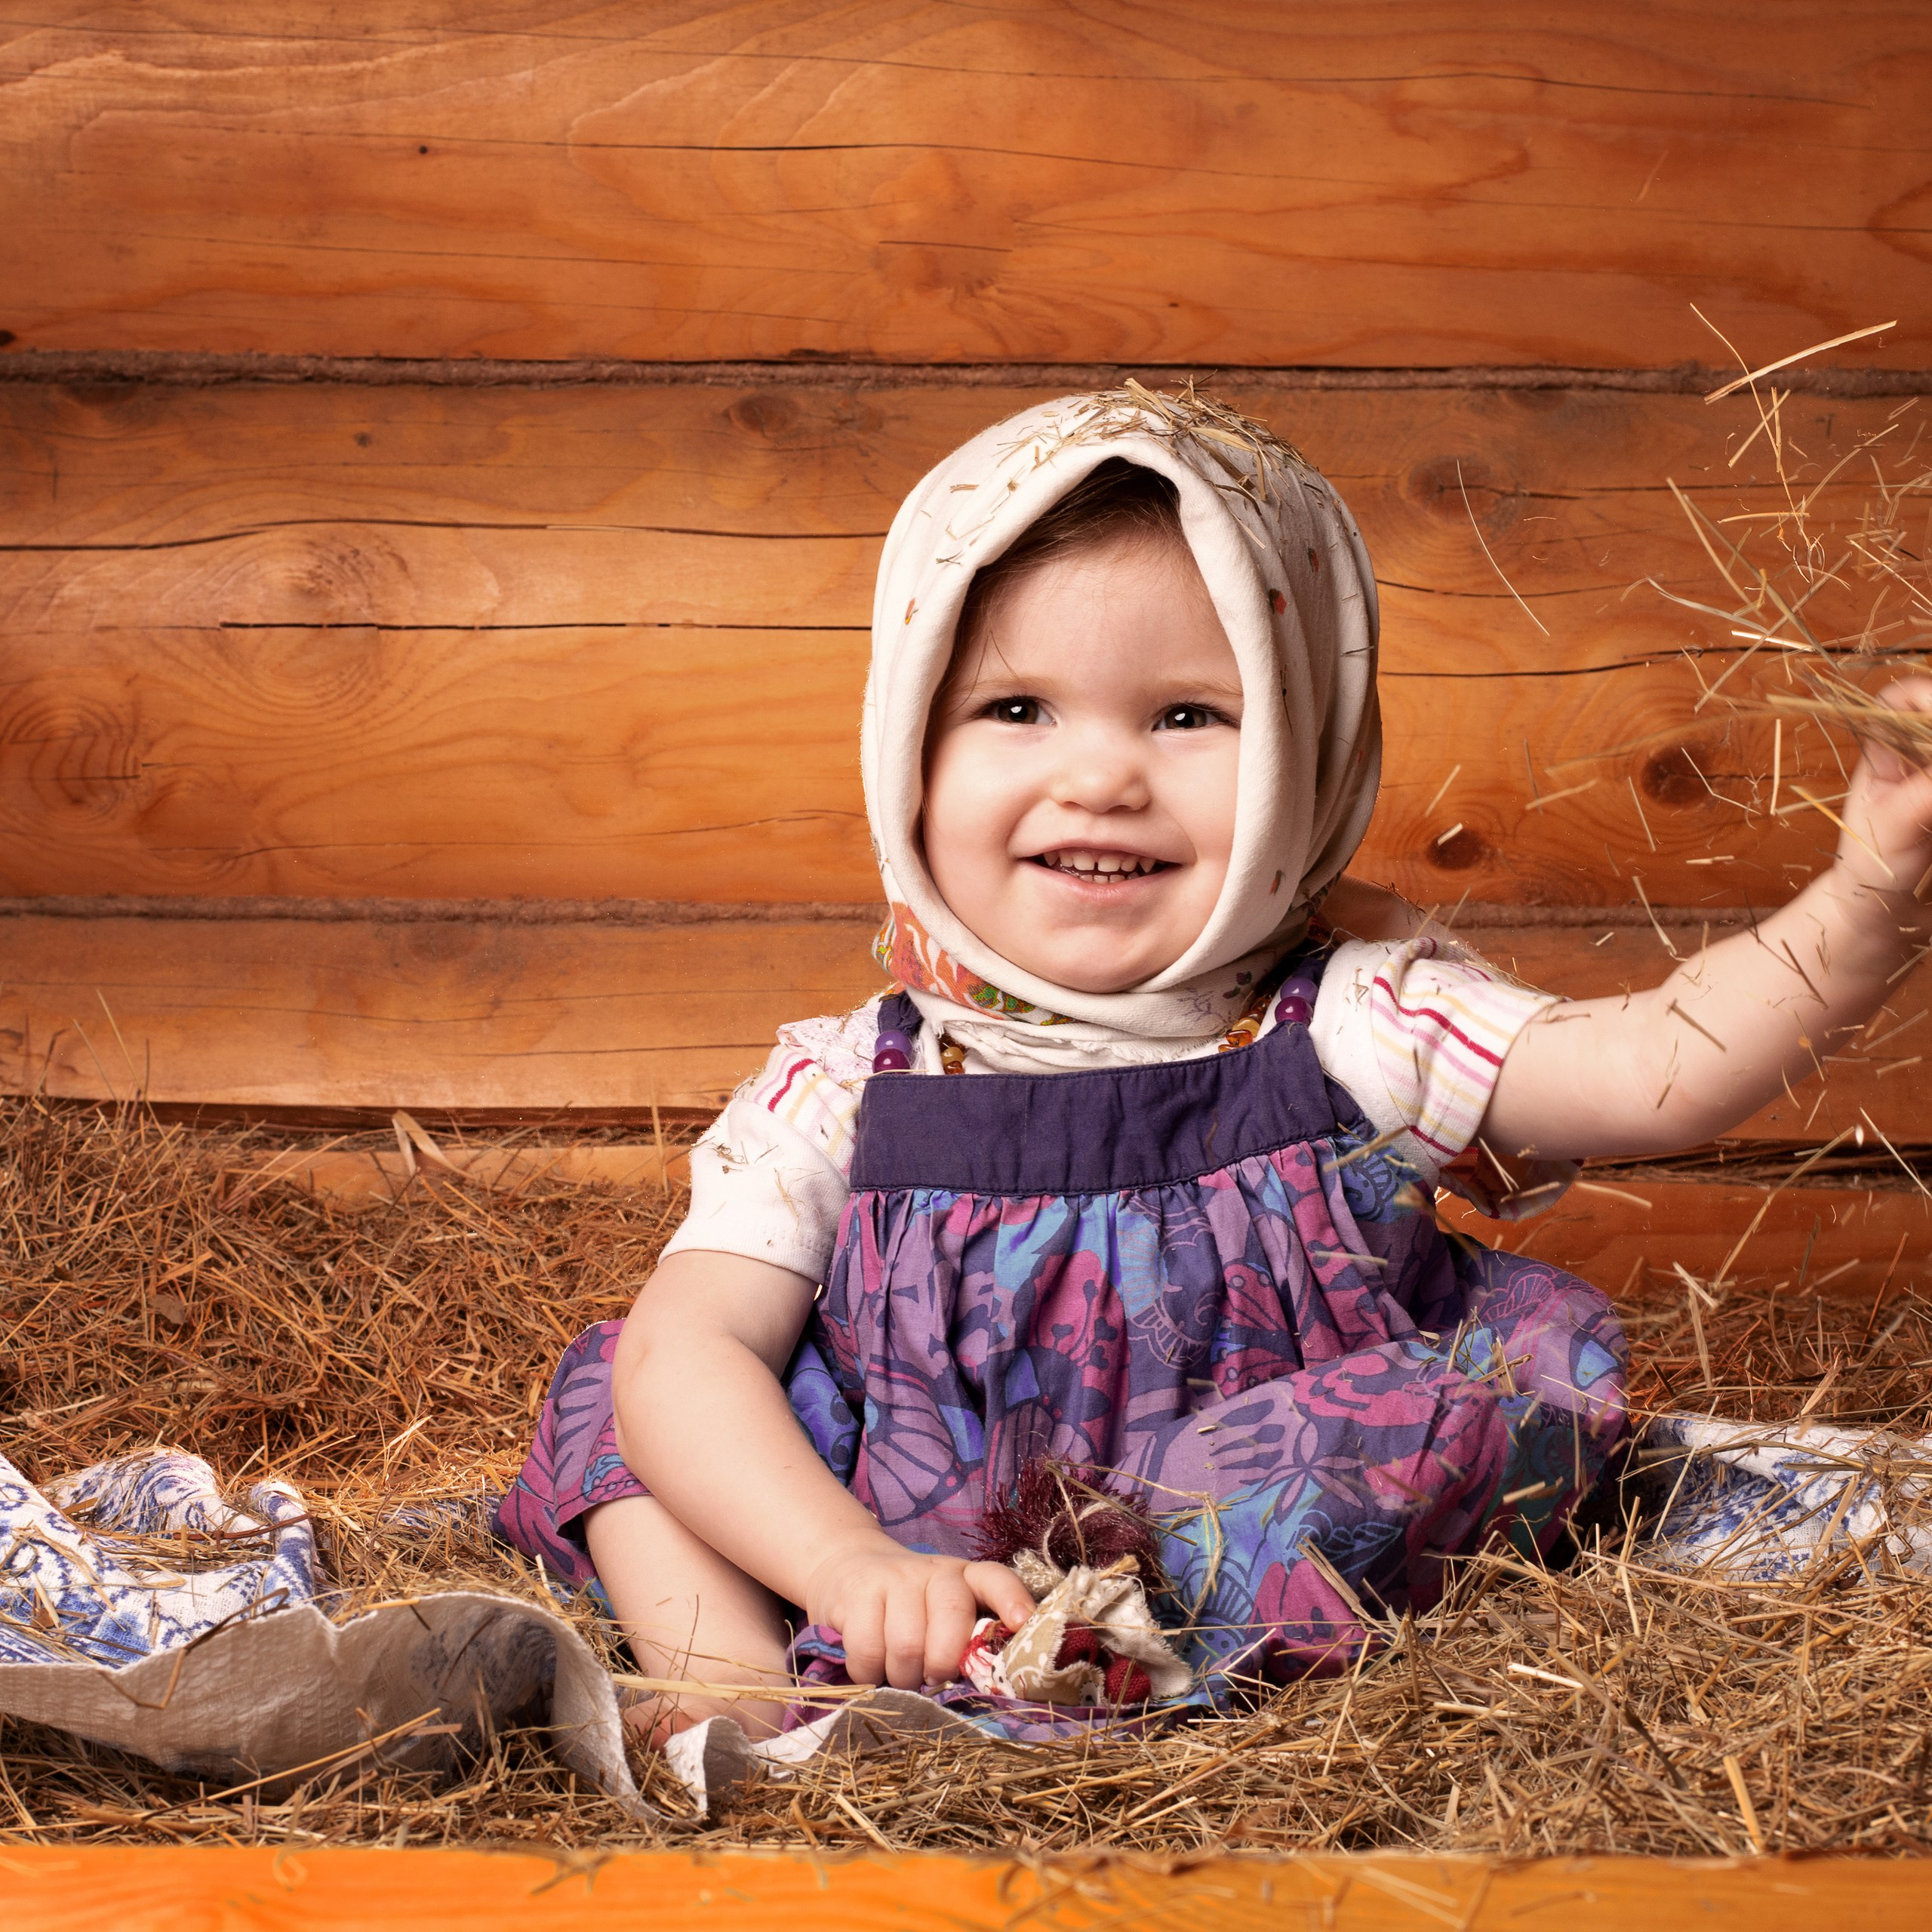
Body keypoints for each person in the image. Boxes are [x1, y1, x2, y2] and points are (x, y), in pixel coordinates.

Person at [494, 387, 1932, 1744]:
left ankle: (1108, 1656)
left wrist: (1868, 892)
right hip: (899, 1559)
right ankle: (743, 1691)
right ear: (906, 752)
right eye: (1016, 709)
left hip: (1227, 1530)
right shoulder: (856, 1083)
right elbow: (702, 1350)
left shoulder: (1351, 1017)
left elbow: (1659, 1069)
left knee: (1469, 1400)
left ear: (1307, 757)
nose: (1103, 773)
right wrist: (849, 1558)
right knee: (637, 1378)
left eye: (1189, 714)